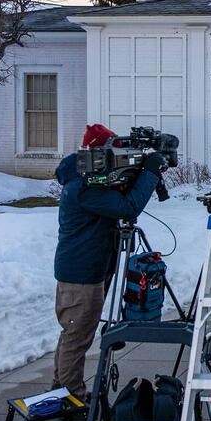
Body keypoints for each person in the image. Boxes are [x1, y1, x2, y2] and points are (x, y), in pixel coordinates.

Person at [51, 124, 165, 401]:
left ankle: (62, 389)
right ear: (98, 152)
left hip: (89, 266)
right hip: (81, 273)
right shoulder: (84, 186)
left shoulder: (88, 178)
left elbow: (120, 195)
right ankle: (70, 396)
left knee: (73, 333)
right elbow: (127, 207)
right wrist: (149, 173)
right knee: (77, 335)